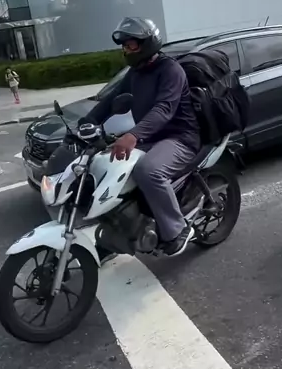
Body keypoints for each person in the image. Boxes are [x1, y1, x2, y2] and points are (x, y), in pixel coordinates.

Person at [83, 17, 200, 256]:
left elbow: (164, 109)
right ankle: (120, 232)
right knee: (108, 166)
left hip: (180, 137)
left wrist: (133, 135)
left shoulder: (170, 70)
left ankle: (178, 230)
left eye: (131, 45)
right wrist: (85, 124)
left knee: (148, 170)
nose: (126, 50)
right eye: (124, 46)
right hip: (151, 137)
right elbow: (111, 100)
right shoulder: (135, 73)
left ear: (148, 43)